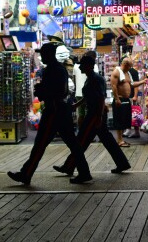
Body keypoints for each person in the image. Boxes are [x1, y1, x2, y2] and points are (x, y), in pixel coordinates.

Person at [8, 41, 92, 186]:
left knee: (41, 144)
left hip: (54, 110)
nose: (42, 57)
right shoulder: (58, 68)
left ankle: (26, 174)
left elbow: (56, 91)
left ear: (48, 54)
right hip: (61, 109)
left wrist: (42, 90)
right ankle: (84, 172)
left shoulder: (53, 69)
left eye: (43, 54)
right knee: (72, 143)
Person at [52, 51, 131, 176]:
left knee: (81, 141)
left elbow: (100, 99)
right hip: (95, 114)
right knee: (106, 141)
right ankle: (122, 163)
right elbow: (88, 96)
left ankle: (69, 166)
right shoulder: (91, 79)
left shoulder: (95, 79)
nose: (80, 67)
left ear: (89, 66)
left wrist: (99, 118)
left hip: (95, 114)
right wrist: (76, 105)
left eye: (82, 65)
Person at [110, 57, 137, 147]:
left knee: (125, 120)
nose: (130, 68)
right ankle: (119, 140)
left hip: (126, 99)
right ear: (125, 65)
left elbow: (132, 84)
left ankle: (121, 139)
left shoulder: (127, 72)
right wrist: (117, 99)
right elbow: (113, 86)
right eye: (130, 66)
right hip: (119, 99)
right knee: (119, 120)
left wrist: (143, 82)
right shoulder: (116, 72)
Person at [126, 61, 147, 139]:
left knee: (135, 114)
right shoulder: (125, 71)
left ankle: (136, 131)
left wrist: (135, 96)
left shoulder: (133, 72)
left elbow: (136, 84)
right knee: (130, 114)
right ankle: (129, 129)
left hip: (132, 96)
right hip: (128, 95)